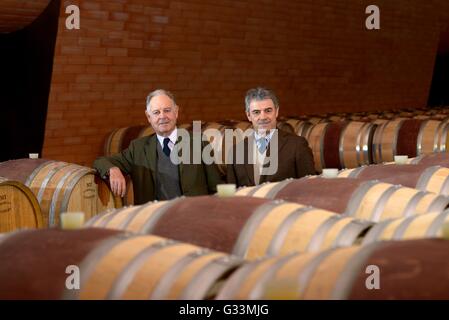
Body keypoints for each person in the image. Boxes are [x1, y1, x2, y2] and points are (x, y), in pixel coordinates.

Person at [94, 89, 224, 204]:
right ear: (148, 117)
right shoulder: (138, 148)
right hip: (155, 220)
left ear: (176, 112)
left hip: (192, 218)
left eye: (167, 110)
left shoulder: (198, 142)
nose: (162, 116)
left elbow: (216, 187)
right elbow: (100, 161)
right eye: (156, 112)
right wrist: (112, 169)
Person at [226, 87, 316, 187]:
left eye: (268, 111)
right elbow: (232, 195)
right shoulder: (236, 151)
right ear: (248, 115)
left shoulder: (297, 145)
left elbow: (310, 187)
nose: (263, 117)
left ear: (276, 112)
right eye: (256, 112)